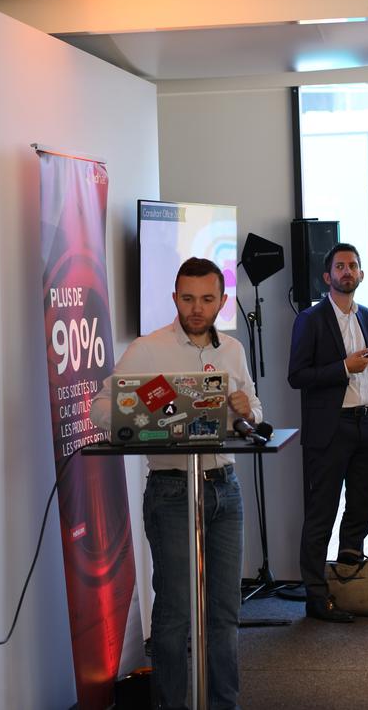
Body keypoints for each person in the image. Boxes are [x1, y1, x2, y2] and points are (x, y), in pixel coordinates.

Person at [89, 258, 261, 710]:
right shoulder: (148, 349)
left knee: (225, 611)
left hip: (224, 487)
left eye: (206, 299)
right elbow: (100, 408)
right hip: (171, 490)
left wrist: (247, 409)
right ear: (174, 298)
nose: (196, 308)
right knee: (175, 611)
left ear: (222, 302)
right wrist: (142, 414)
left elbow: (255, 409)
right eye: (187, 298)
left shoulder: (233, 350)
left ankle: (224, 704)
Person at [288, 243, 368, 623]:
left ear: (360, 274)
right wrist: (344, 367)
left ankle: (351, 587)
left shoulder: (366, 316)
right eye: (340, 266)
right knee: (322, 513)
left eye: (353, 266)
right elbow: (297, 376)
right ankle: (316, 597)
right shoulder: (310, 319)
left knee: (361, 508)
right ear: (328, 276)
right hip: (331, 429)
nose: (347, 271)